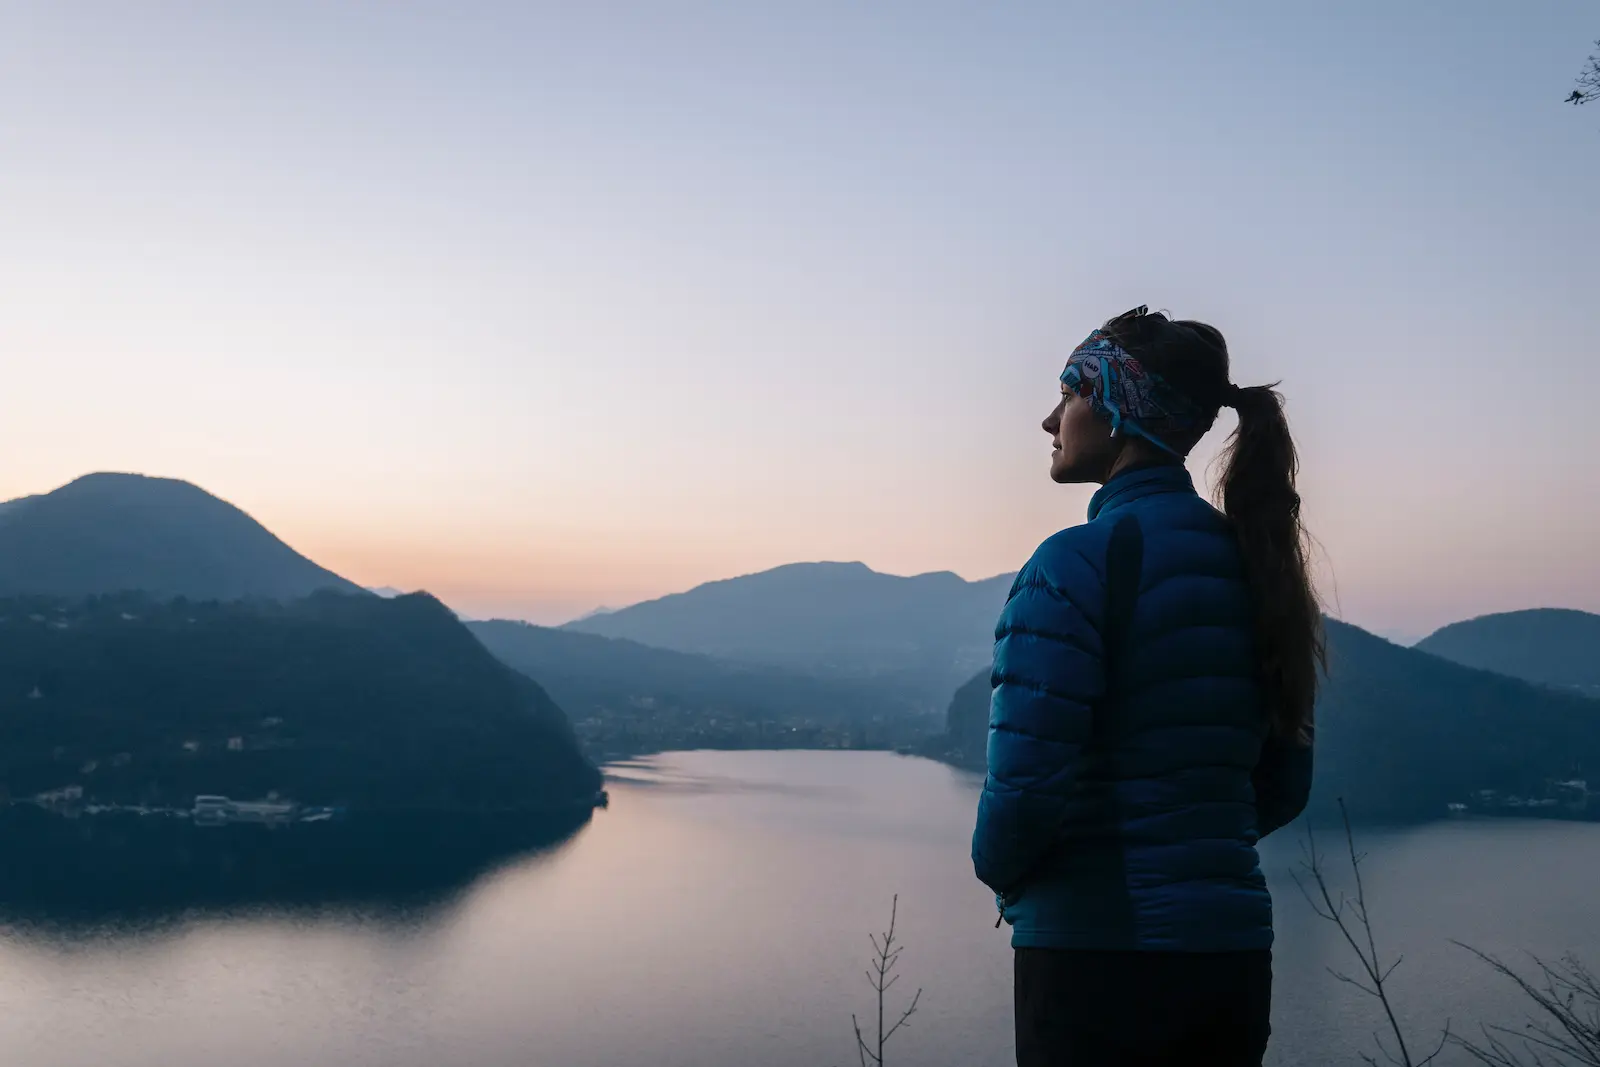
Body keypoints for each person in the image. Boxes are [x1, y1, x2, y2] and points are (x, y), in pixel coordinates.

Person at [971, 305, 1321, 1067]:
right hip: (1230, 962)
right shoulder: (1263, 573)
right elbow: (1284, 785)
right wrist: (1188, 845)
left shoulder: (1075, 564)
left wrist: (1005, 874)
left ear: (1120, 406)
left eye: (1069, 391)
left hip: (1096, 960)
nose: (1048, 418)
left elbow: (1023, 792)